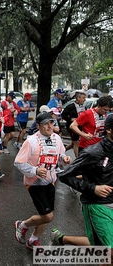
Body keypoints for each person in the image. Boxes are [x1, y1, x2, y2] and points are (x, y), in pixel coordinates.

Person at [55, 114, 113, 263]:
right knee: (107, 252)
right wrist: (93, 188)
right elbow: (65, 175)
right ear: (109, 130)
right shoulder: (93, 152)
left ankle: (61, 239)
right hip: (98, 205)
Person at [14, 112, 71, 250]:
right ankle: (22, 225)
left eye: (51, 123)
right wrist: (35, 171)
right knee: (48, 216)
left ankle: (33, 240)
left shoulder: (57, 138)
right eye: (46, 123)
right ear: (38, 126)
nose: (50, 126)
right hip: (34, 183)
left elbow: (61, 155)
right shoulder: (31, 141)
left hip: (50, 181)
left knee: (45, 215)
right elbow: (18, 162)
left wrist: (64, 159)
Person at [61, 90, 86, 157]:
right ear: (78, 98)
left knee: (73, 143)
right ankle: (78, 159)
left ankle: (61, 152)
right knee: (76, 142)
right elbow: (63, 115)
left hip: (80, 126)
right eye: (83, 98)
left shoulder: (83, 106)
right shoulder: (71, 106)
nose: (85, 99)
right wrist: (71, 119)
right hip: (72, 126)